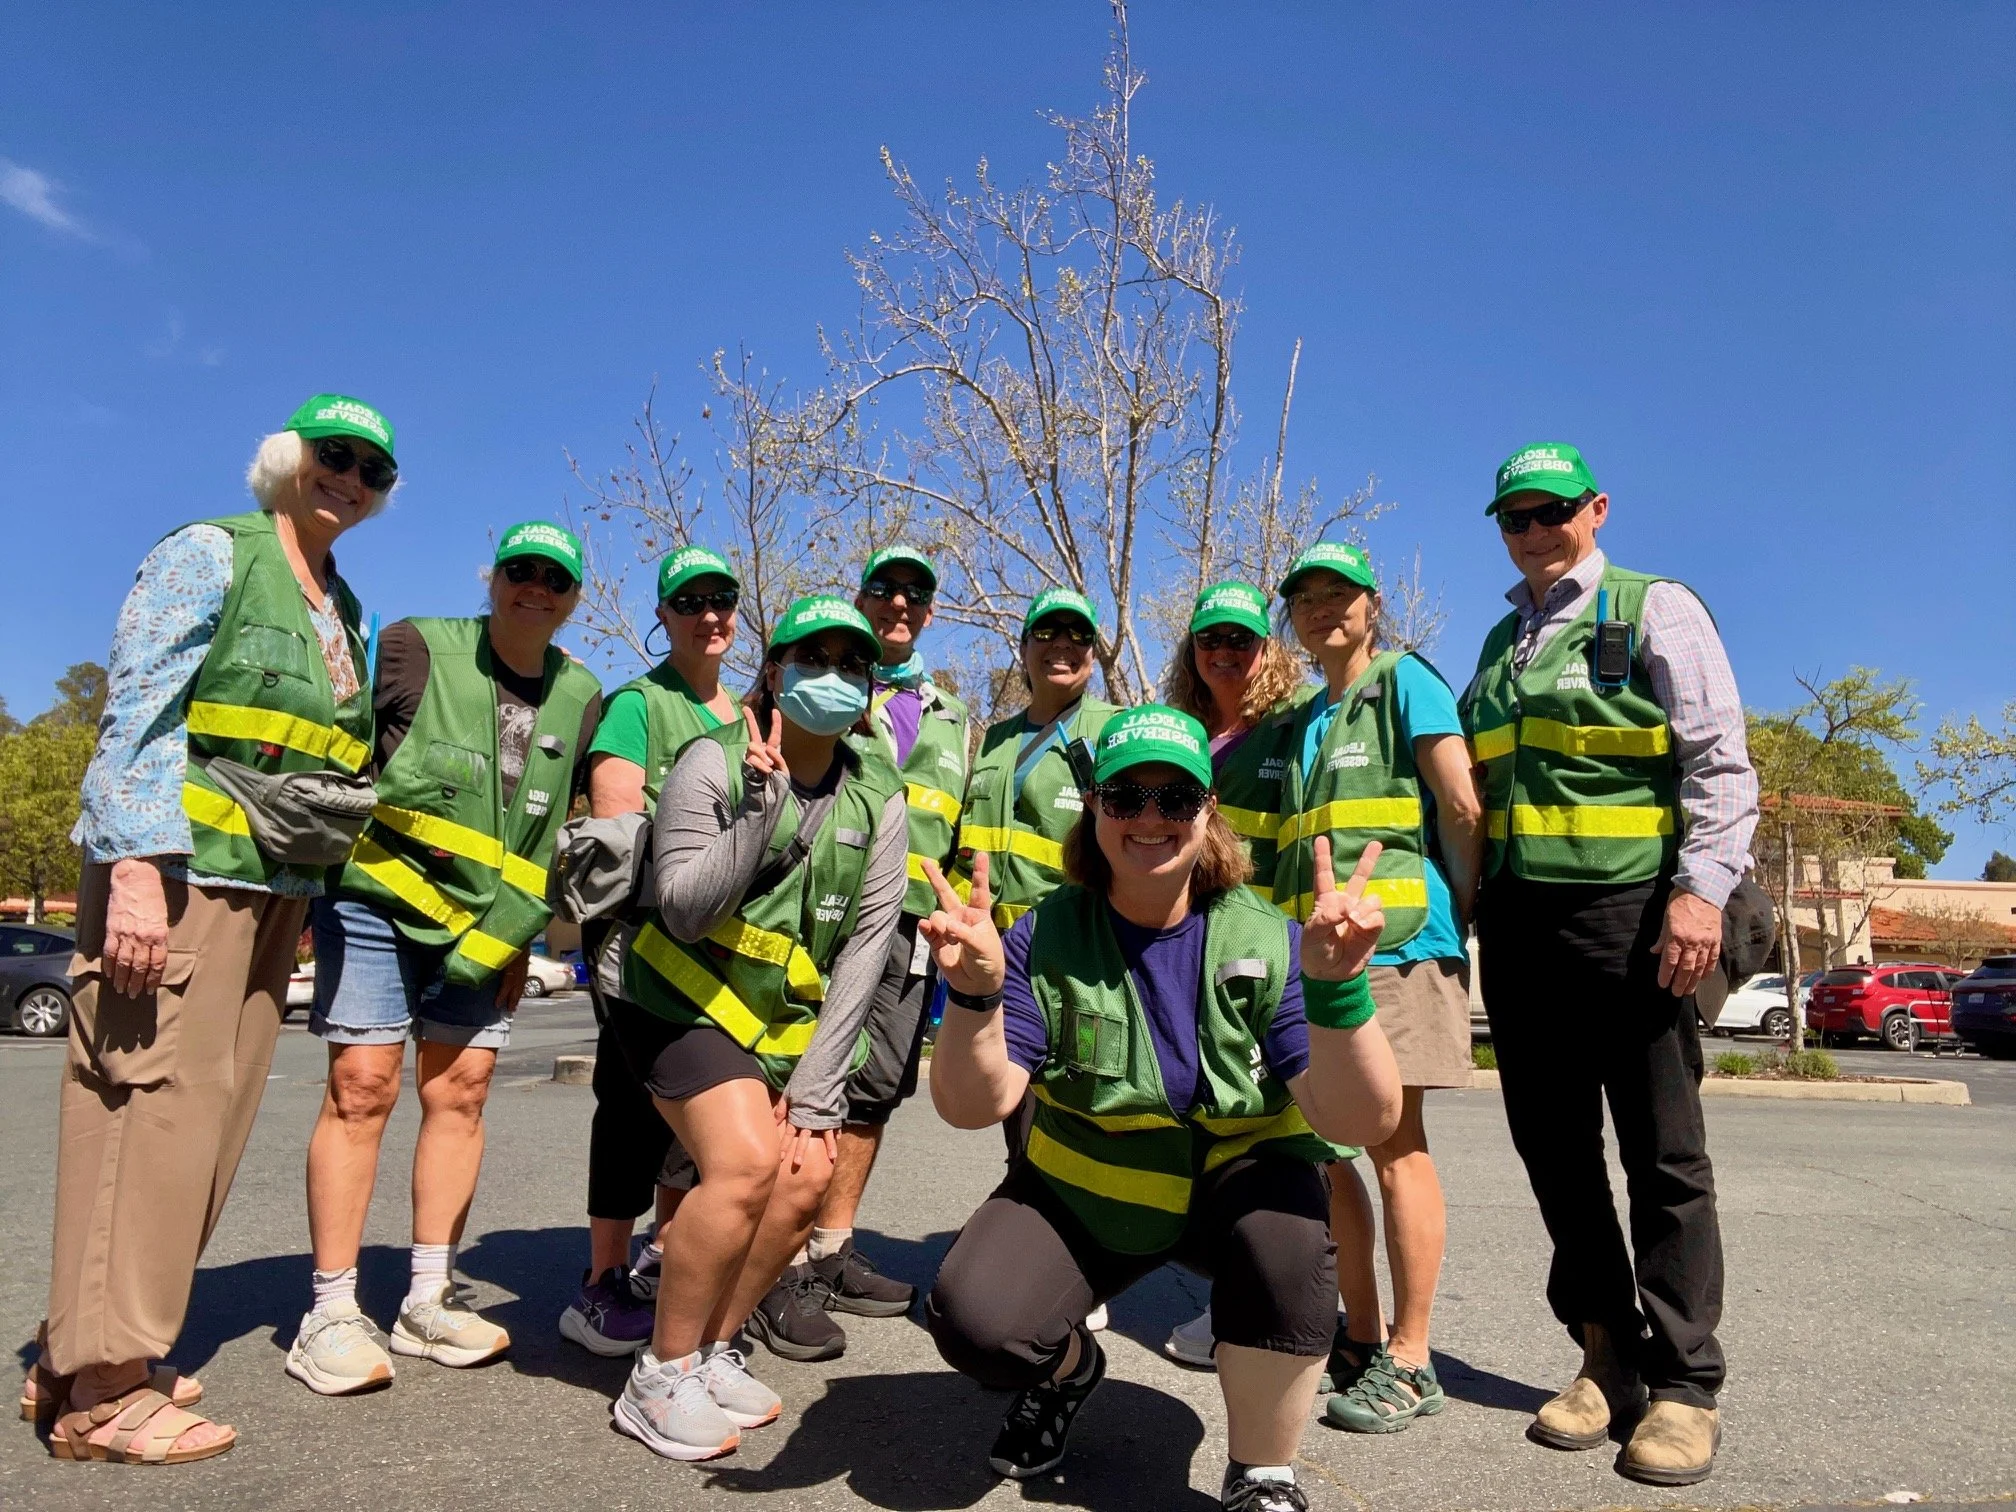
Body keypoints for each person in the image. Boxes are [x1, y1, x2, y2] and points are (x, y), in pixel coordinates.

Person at [920, 706, 1403, 1512]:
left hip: (1236, 1202)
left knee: (1290, 1253)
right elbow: (976, 1106)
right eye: (1126, 796)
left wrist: (1338, 988)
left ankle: (1263, 1473)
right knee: (974, 1321)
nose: (1149, 817)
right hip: (1090, 1200)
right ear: (1095, 808)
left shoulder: (1273, 938)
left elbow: (1361, 1122)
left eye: (1175, 798)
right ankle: (1071, 1374)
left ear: (1208, 811)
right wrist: (974, 993)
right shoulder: (1044, 938)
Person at [35, 394, 393, 1463]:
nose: (351, 478)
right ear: (287, 460)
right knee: (144, 1116)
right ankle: (101, 1392)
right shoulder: (213, 553)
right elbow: (137, 709)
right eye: (335, 456)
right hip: (182, 876)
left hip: (270, 891)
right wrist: (135, 867)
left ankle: (99, 1359)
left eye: (373, 469)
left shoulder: (346, 605)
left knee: (207, 1129)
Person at [1461, 443, 1756, 1486]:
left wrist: (1698, 894)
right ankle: (1605, 1358)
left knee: (1663, 1157)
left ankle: (1685, 1386)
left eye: (1551, 511)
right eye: (1514, 516)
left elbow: (1719, 760)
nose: (1534, 530)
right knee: (1556, 1152)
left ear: (1595, 508)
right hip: (1524, 930)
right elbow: (1465, 795)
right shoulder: (1501, 644)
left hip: (1635, 918)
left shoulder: (1653, 609)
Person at [289, 522, 602, 1396]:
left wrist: (521, 937)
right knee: (361, 1088)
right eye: (519, 571)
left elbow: (548, 832)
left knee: (459, 1096)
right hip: (377, 906)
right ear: (492, 577)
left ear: (574, 596)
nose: (535, 587)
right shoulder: (413, 647)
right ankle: (330, 1310)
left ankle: (428, 1297)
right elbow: (340, 757)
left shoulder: (584, 695)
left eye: (555, 578)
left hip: (489, 930)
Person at [606, 596, 909, 1461]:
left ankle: (711, 1349)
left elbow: (863, 950)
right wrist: (756, 811)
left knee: (806, 1172)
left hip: (771, 1022)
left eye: (854, 665)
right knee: (742, 1164)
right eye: (814, 658)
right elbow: (688, 913)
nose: (835, 677)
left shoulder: (876, 794)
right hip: (669, 997)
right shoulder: (712, 760)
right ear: (774, 670)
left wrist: (818, 1093)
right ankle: (657, 1378)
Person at [1268, 541, 1485, 1434]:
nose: (1323, 609)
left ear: (1372, 603)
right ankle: (1358, 1337)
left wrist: (1453, 916)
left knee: (1396, 1144)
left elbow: (1463, 810)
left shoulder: (1406, 683)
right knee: (1325, 1152)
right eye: (1307, 597)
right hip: (1320, 965)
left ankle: (1412, 1355)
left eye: (1340, 595)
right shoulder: (1309, 716)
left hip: (1399, 952)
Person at [761, 548, 968, 1352]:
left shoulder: (951, 714)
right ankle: (772, 1268)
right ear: (860, 597)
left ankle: (829, 1250)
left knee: (874, 1089)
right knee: (800, 1077)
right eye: (883, 588)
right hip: (827, 915)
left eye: (916, 592)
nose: (899, 602)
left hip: (911, 924)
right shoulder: (831, 681)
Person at [559, 545, 743, 1357]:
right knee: (631, 1108)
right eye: (691, 601)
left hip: (724, 956)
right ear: (663, 615)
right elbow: (616, 825)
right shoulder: (639, 704)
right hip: (642, 946)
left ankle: (669, 1261)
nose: (710, 615)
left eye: (722, 600)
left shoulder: (745, 718)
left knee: (695, 1121)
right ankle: (600, 1284)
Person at [1155, 579, 1317, 1368]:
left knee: (1276, 1131)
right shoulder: (1179, 731)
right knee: (1200, 1118)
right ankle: (1232, 1291)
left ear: (1268, 651)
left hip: (1264, 957)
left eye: (1241, 641)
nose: (1224, 654)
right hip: (1186, 945)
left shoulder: (1293, 729)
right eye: (1209, 641)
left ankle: (1293, 1303)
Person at [953, 585, 1121, 1327]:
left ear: (1093, 654)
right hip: (1001, 954)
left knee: (1073, 1110)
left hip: (1076, 949)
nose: (1062, 648)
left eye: (1077, 638)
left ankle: (1085, 1268)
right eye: (1046, 635)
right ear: (1022, 648)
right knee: (1015, 1112)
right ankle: (1039, 1259)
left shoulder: (1109, 732)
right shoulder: (993, 739)